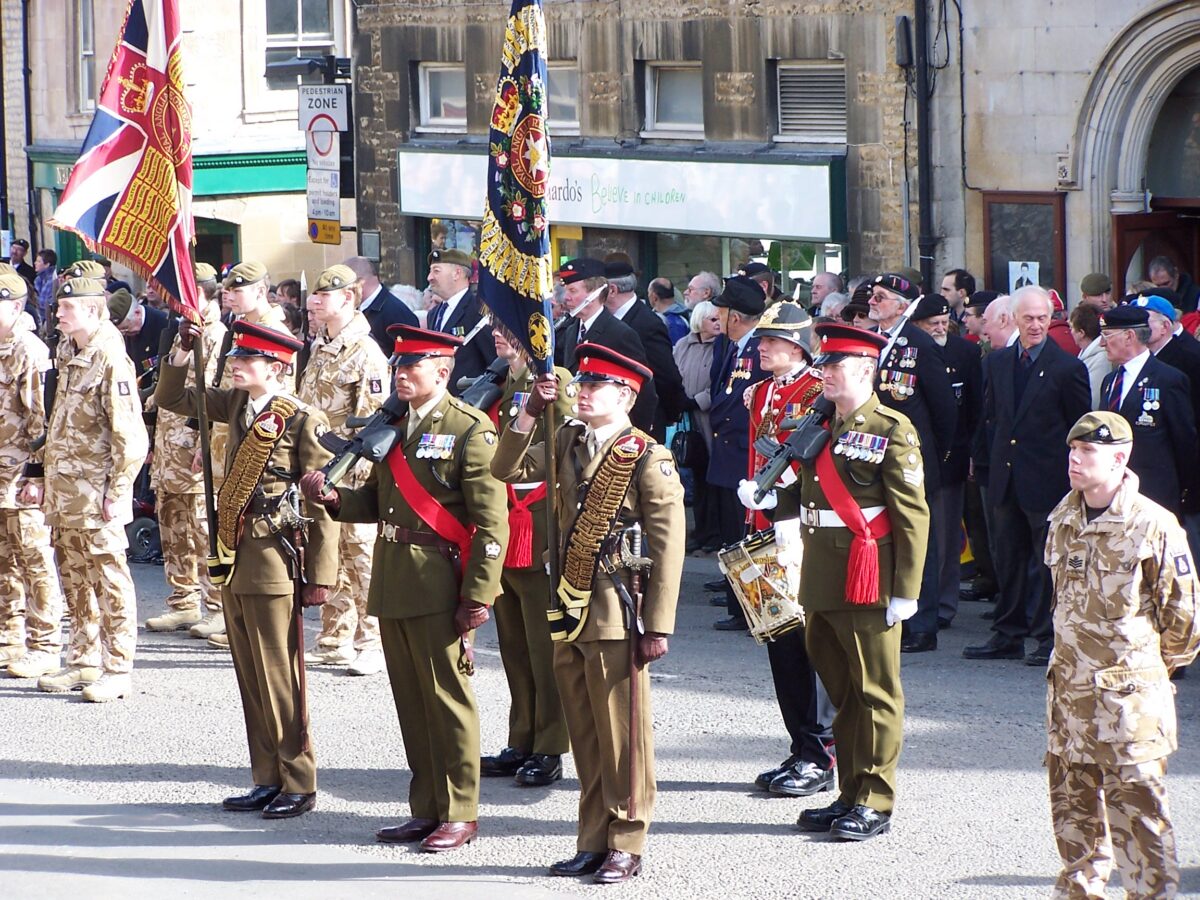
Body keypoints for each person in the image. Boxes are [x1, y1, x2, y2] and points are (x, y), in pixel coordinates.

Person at [301, 324, 507, 852]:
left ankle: (460, 811)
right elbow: (376, 502)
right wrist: (333, 502)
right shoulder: (393, 424)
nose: (400, 375)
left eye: (411, 366)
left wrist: (478, 596)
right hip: (395, 577)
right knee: (412, 702)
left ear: (442, 370)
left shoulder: (469, 429)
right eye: (398, 366)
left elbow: (491, 522)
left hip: (440, 581)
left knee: (448, 700)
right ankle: (427, 807)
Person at [491, 342, 684, 883]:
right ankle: (592, 838)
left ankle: (627, 840)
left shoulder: (646, 455)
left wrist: (658, 624)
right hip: (569, 601)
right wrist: (529, 408)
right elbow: (503, 466)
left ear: (625, 394)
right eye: (584, 382)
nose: (583, 391)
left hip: (618, 607)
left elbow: (669, 545)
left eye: (596, 384)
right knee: (586, 732)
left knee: (622, 735)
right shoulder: (567, 438)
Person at [157, 319, 337, 818]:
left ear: (276, 367)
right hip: (233, 552)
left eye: (246, 360)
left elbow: (319, 500)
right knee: (250, 673)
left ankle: (299, 780)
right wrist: (181, 350)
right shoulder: (238, 404)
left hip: (274, 556)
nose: (236, 365)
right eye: (235, 358)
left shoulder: (301, 417)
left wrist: (321, 575)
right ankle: (267, 776)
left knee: (280, 673)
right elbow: (174, 399)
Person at [775, 323, 929, 841]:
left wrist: (906, 589)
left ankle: (876, 799)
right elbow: (809, 488)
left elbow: (912, 515)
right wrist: (772, 499)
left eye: (835, 365)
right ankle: (849, 791)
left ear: (866, 369)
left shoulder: (891, 428)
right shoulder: (821, 422)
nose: (825, 373)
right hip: (822, 572)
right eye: (824, 364)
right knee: (842, 691)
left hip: (869, 576)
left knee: (875, 692)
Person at [1044, 411, 1200, 899]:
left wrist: (1146, 674)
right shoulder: (1063, 518)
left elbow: (1184, 622)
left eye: (1088, 452)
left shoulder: (1153, 524)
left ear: (1119, 458)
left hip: (1128, 711)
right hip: (1070, 705)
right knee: (1075, 830)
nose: (1075, 459)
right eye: (1073, 450)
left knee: (1141, 830)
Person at [736, 302, 836, 797]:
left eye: (772, 342)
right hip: (767, 523)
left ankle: (821, 751)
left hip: (799, 528)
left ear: (797, 346)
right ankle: (800, 745)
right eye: (762, 341)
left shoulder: (818, 391)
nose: (762, 348)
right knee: (780, 643)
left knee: (807, 645)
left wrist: (782, 489)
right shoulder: (761, 392)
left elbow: (820, 457)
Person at [35, 277, 149, 702]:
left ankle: (117, 667)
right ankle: (84, 659)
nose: (58, 313)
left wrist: (118, 491)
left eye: (67, 307)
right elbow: (59, 424)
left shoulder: (110, 359)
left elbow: (130, 438)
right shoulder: (68, 351)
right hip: (66, 489)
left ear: (92, 310)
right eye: (60, 307)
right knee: (75, 576)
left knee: (109, 577)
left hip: (96, 489)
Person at [965, 287, 1091, 666]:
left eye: (1043, 318)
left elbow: (1078, 429)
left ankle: (1046, 636)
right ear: (1014, 319)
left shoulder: (1068, 367)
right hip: (1005, 477)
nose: (1036, 326)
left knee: (1046, 563)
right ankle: (1008, 633)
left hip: (1047, 480)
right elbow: (991, 417)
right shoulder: (998, 363)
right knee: (1008, 558)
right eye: (1029, 318)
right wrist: (982, 461)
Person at [478, 329, 572, 786]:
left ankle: (550, 746)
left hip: (535, 525)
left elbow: (568, 448)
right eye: (495, 326)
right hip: (502, 523)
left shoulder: (555, 381)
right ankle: (522, 738)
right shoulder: (498, 385)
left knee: (543, 647)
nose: (499, 334)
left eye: (509, 327)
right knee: (513, 647)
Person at [297, 265, 391, 675]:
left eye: (323, 296)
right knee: (327, 552)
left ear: (347, 299)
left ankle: (372, 639)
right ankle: (336, 635)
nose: (314, 303)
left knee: (360, 555)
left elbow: (371, 422)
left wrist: (352, 476)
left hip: (350, 473)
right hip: (317, 468)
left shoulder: (365, 352)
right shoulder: (320, 345)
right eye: (314, 296)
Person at [868, 273, 956, 652]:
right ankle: (893, 610)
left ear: (902, 306)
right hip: (873, 455)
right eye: (873, 296)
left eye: (881, 297)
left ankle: (923, 624)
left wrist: (935, 455)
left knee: (919, 537)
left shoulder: (918, 344)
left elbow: (944, 409)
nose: (873, 302)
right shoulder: (874, 342)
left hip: (912, 458)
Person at [142, 283, 228, 635]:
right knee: (174, 528)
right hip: (168, 448)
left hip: (192, 448)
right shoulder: (182, 331)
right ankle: (184, 601)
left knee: (202, 529)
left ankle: (216, 604)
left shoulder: (216, 335)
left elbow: (213, 395)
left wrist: (204, 444)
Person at [0, 273, 64, 679]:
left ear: (16, 307)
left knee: (35, 560)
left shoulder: (30, 352)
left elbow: (42, 422)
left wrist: (37, 477)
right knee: (3, 562)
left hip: (21, 475)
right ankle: (9, 637)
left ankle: (45, 644)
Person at [910, 293, 982, 630]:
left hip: (951, 454)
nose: (940, 329)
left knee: (947, 531)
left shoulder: (965, 352)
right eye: (932, 324)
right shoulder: (912, 351)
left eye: (943, 323)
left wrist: (966, 451)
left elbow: (972, 408)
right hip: (917, 456)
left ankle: (943, 604)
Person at [1096, 305, 1196, 518]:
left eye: (1106, 335)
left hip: (1153, 496)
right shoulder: (1110, 381)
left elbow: (1185, 441)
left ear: (1129, 336)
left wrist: (1185, 493)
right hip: (1113, 495)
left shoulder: (1168, 380)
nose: (1102, 343)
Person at [708, 275, 767, 630]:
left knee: (745, 535)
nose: (718, 316)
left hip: (744, 454)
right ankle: (737, 602)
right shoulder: (730, 347)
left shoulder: (757, 349)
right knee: (731, 534)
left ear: (736, 316)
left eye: (723, 311)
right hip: (727, 451)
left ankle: (748, 606)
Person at [552, 257, 659, 435]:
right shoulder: (570, 331)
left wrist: (633, 438)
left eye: (572, 290)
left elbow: (643, 394)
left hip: (612, 434)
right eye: (566, 290)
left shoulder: (620, 334)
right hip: (578, 432)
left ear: (595, 293)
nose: (567, 297)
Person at [604, 259, 686, 440]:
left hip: (641, 425)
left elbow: (667, 377)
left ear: (612, 290)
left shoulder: (648, 323)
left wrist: (670, 413)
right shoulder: (606, 320)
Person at [673, 300, 721, 553]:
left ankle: (713, 533)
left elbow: (720, 383)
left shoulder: (721, 347)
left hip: (708, 417)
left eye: (718, 319)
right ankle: (700, 530)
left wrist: (698, 400)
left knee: (711, 478)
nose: (717, 323)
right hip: (687, 419)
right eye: (712, 320)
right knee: (695, 477)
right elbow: (673, 373)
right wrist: (678, 399)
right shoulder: (683, 345)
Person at [425, 248, 496, 392]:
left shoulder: (479, 310)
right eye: (430, 271)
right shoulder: (434, 314)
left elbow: (494, 362)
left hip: (467, 400)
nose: (429, 277)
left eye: (436, 271)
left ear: (457, 273)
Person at [345, 255, 419, 356]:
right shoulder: (356, 309)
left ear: (360, 282)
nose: (343, 291)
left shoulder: (396, 313)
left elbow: (409, 360)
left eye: (345, 285)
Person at [1068, 303, 1111, 409]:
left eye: (1072, 328)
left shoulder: (1101, 359)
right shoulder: (1086, 353)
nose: (1070, 332)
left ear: (1081, 333)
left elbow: (1094, 400)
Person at [647, 277, 690, 345]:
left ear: (654, 297)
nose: (648, 296)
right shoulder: (681, 317)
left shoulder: (674, 323)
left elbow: (675, 352)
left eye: (648, 293)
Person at [33, 249, 56, 323]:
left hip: (47, 320)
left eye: (39, 261)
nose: (35, 263)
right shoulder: (39, 279)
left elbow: (43, 304)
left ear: (47, 264)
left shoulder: (52, 280)